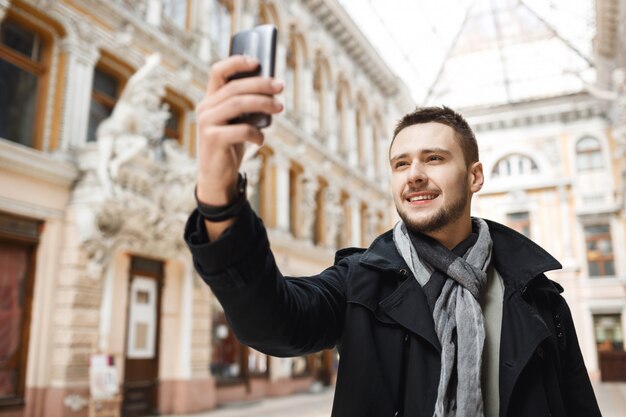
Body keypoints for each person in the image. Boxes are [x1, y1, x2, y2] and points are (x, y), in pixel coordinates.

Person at [185, 55, 602, 417]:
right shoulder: (361, 281)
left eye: (434, 158)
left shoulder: (539, 295)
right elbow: (273, 322)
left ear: (474, 176)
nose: (415, 174)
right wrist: (219, 198)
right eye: (401, 164)